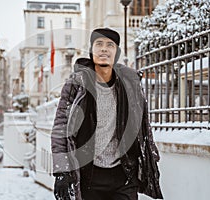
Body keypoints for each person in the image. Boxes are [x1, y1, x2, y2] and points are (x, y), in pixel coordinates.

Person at [51, 28, 163, 200]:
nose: (104, 49)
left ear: (116, 53)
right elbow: (60, 128)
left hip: (124, 176)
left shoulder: (130, 84)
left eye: (110, 45)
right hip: (88, 176)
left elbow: (143, 126)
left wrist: (150, 159)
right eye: (99, 44)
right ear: (91, 51)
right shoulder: (76, 85)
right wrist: (62, 171)